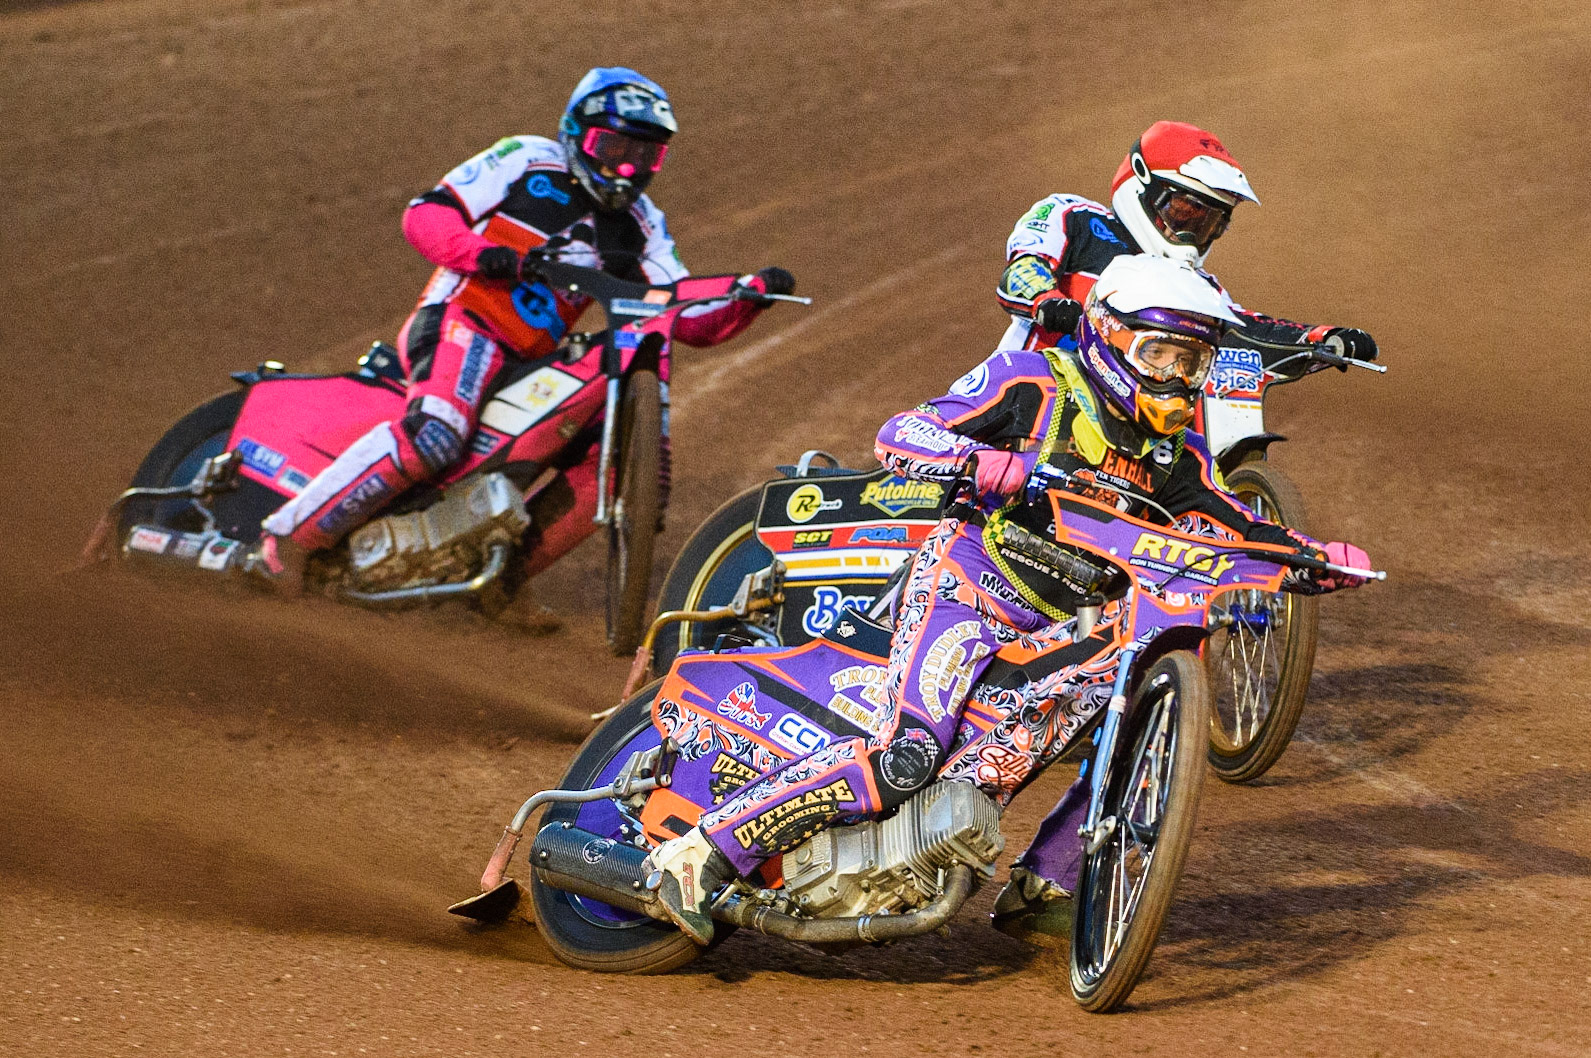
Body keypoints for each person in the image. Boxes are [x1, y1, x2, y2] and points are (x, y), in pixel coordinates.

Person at [644, 254, 1372, 946]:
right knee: (907, 754)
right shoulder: (1032, 381)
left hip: (1062, 626)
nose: (1177, 379)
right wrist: (982, 462)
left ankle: (1046, 885)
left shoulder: (1174, 459)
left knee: (1069, 726)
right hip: (966, 588)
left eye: (1192, 363)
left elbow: (1234, 520)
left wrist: (1309, 558)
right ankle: (702, 855)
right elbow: (903, 433)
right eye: (1162, 356)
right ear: (1110, 336)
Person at [248, 67, 794, 587]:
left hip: (532, 358)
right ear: (578, 135)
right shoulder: (527, 159)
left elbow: (682, 312)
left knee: (604, 467)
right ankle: (287, 540)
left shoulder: (641, 224)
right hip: (463, 321)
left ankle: (500, 587)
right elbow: (427, 214)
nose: (626, 168)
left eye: (645, 154)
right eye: (614, 149)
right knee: (437, 434)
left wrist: (749, 294)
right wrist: (488, 257)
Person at [995, 120, 1378, 372]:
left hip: (1136, 425)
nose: (1191, 235)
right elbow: (1024, 267)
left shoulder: (1196, 287)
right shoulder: (1074, 216)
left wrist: (1321, 339)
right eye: (1185, 211)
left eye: (1209, 222)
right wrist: (1047, 301)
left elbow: (1245, 331)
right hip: (1032, 389)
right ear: (1142, 182)